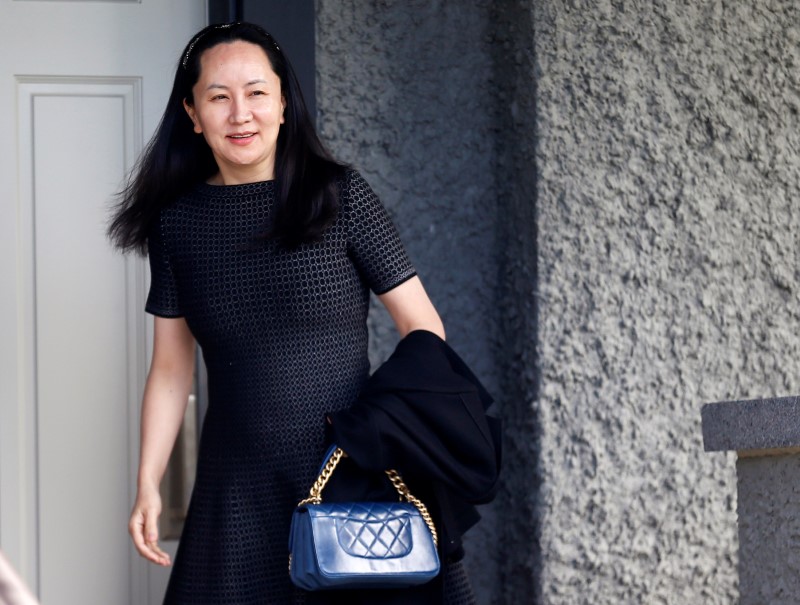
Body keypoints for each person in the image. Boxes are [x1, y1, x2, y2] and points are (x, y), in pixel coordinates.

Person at [108, 22, 481, 604]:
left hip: (352, 477)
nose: (241, 114)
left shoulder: (340, 197)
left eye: (257, 93)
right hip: (237, 492)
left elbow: (423, 328)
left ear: (284, 104)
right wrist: (148, 483)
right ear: (192, 112)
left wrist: (376, 429)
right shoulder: (177, 224)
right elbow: (171, 368)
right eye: (218, 97)